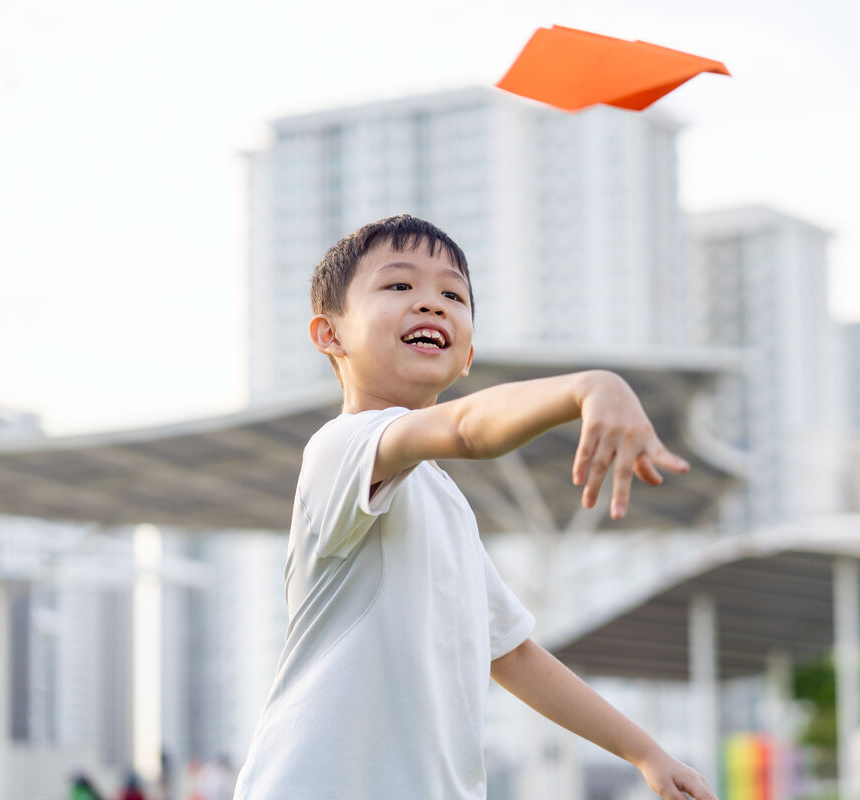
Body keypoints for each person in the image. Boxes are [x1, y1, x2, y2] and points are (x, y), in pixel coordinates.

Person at [233, 214, 716, 800]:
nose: (431, 304)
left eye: (452, 295)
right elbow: (465, 429)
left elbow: (512, 653)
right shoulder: (342, 447)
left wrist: (646, 753)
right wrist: (589, 387)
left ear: (466, 356)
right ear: (329, 334)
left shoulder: (446, 504)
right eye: (399, 286)